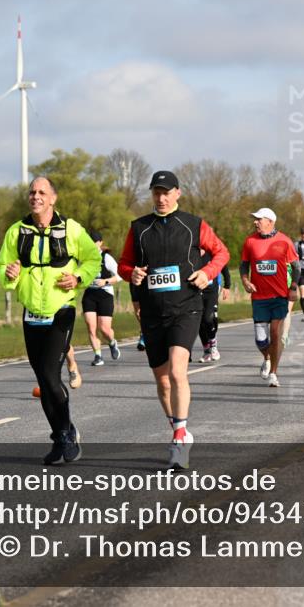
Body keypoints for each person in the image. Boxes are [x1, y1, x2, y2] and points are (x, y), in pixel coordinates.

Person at [117, 170, 229, 470]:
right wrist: (132, 274)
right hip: (153, 312)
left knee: (178, 372)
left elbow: (221, 252)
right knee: (162, 380)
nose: (161, 197)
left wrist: (207, 273)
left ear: (178, 193)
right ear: (151, 194)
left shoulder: (193, 224)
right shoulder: (139, 227)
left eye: (167, 192)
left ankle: (179, 438)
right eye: (157, 192)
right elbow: (124, 264)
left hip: (186, 306)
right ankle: (178, 427)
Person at [0, 177, 100, 464]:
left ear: (53, 198)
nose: (35, 196)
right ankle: (60, 435)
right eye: (32, 192)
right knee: (43, 377)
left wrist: (78, 278)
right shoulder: (16, 231)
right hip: (31, 313)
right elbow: (2, 265)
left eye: (42, 192)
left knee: (50, 375)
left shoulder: (71, 229)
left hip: (61, 311)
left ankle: (66, 434)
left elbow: (93, 260)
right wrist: (9, 275)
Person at [240, 208, 299, 387]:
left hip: (279, 296)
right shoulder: (250, 241)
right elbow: (244, 266)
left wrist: (294, 287)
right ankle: (266, 358)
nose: (255, 222)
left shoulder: (284, 241)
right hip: (259, 297)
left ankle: (274, 372)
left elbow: (296, 267)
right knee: (261, 340)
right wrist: (245, 281)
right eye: (255, 219)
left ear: (270, 221)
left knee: (275, 333)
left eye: (259, 219)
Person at [81, 230, 122, 366]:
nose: (92, 244)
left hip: (105, 294)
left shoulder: (106, 258)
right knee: (91, 327)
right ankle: (98, 356)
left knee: (104, 328)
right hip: (90, 295)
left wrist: (105, 281)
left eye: (94, 242)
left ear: (100, 243)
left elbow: (120, 275)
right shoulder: (84, 258)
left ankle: (112, 342)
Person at [197, 252, 231, 363]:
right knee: (198, 321)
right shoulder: (191, 253)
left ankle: (213, 344)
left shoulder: (211, 254)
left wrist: (227, 286)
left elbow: (224, 267)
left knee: (208, 318)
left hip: (211, 292)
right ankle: (206, 351)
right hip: (196, 292)